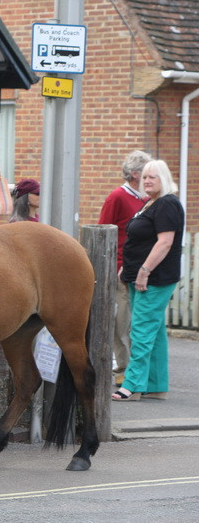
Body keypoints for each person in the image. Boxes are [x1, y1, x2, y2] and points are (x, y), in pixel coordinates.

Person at [112, 160, 184, 401]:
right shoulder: (149, 204)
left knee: (141, 331)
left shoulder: (167, 204)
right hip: (137, 276)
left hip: (154, 278)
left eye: (153, 176)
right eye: (144, 177)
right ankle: (155, 384)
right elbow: (139, 240)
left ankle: (132, 385)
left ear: (164, 178)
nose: (148, 181)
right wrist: (127, 269)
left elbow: (165, 242)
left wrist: (144, 271)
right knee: (154, 332)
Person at [98, 150, 152, 387]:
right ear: (134, 174)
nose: (151, 177)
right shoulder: (117, 197)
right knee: (122, 320)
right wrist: (116, 265)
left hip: (143, 268)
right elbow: (104, 231)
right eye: (147, 173)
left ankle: (137, 369)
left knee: (137, 321)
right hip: (122, 268)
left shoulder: (146, 198)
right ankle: (123, 368)